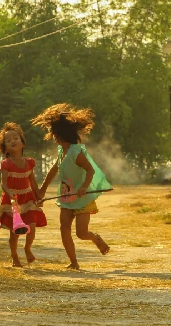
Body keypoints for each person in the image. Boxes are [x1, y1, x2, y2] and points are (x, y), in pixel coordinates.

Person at [31, 102, 112, 271]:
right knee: (64, 229)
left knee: (81, 234)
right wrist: (42, 189)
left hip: (82, 199)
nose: (52, 136)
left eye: (54, 133)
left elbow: (90, 170)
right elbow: (54, 170)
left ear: (60, 135)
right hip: (67, 198)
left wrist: (84, 187)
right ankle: (74, 261)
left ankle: (95, 238)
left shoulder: (76, 152)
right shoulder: (62, 152)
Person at [0, 120, 47, 267]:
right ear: (5, 148)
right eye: (8, 140)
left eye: (16, 138)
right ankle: (14, 256)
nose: (13, 141)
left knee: (32, 226)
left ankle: (27, 248)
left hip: (28, 198)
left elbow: (33, 183)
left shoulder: (29, 163)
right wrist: (10, 195)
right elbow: (3, 184)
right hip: (12, 201)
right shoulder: (6, 164)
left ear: (23, 143)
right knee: (15, 232)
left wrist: (38, 196)